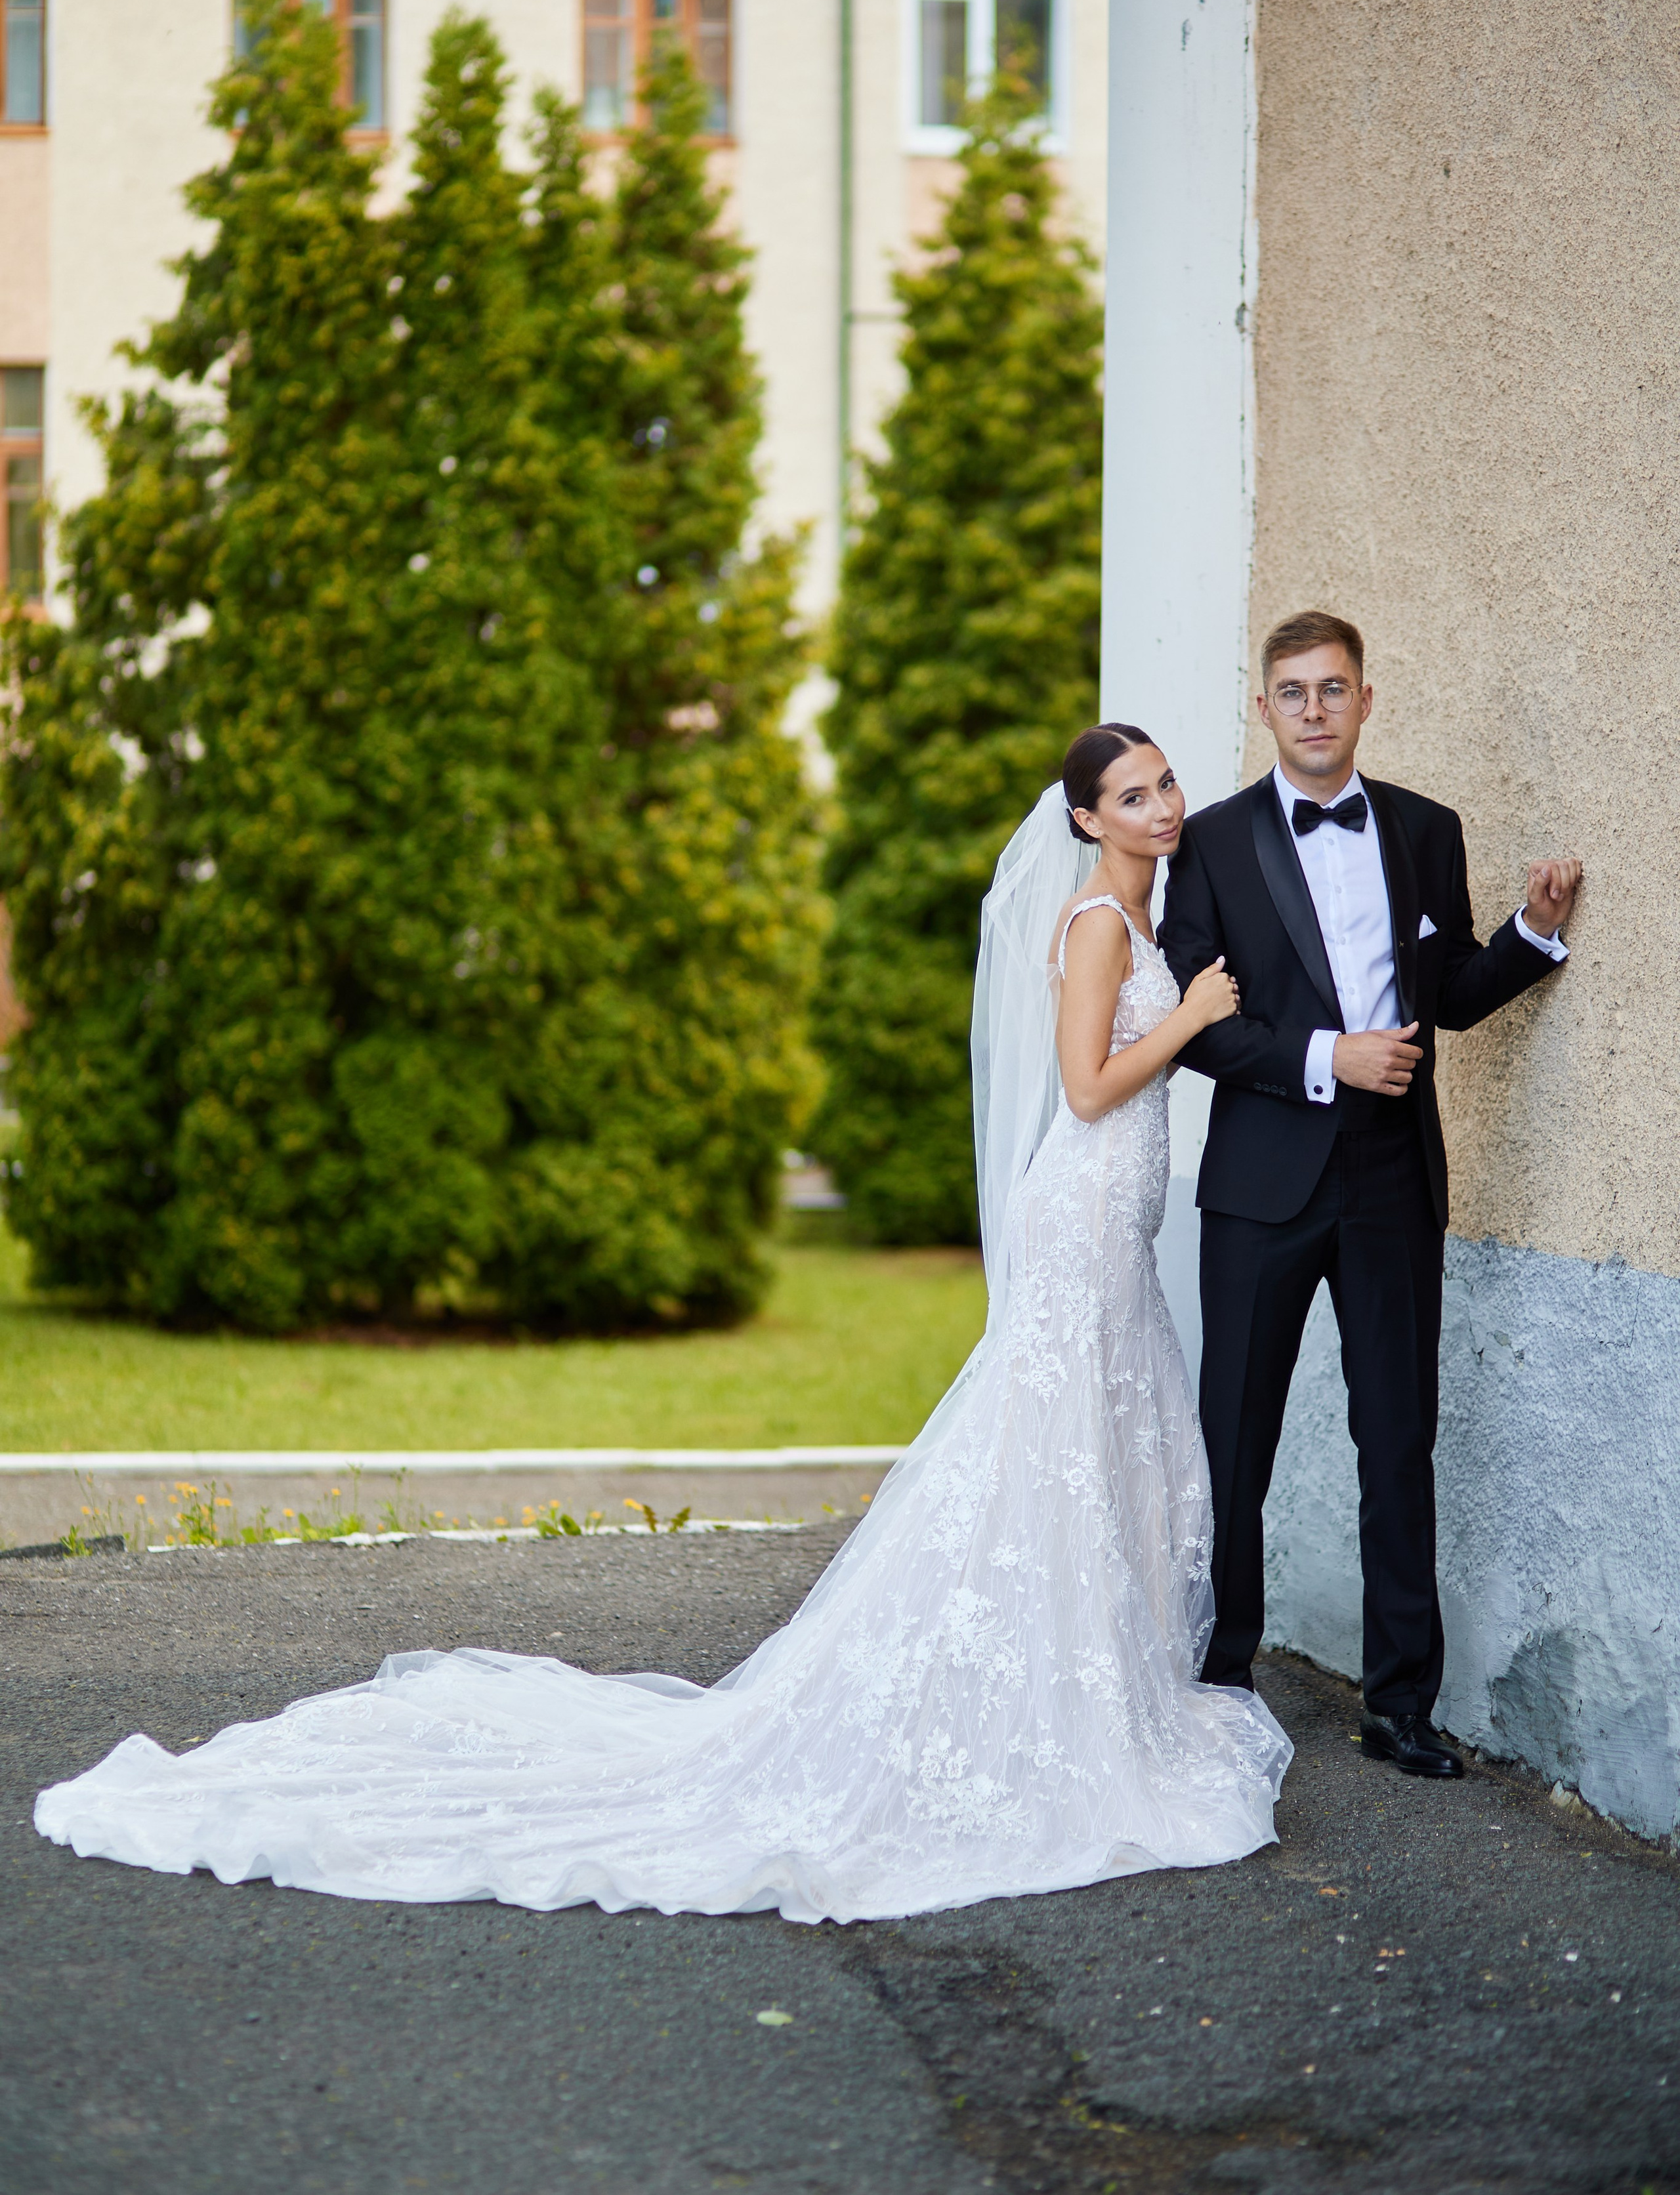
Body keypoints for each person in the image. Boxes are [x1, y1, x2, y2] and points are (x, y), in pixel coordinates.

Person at [36, 727, 1290, 1923]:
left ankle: (1088, 1683)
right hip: (1079, 1220)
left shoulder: (1148, 916)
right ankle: (1039, 1697)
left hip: (1118, 1225)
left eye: (1166, 784)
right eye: (1132, 795)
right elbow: (1085, 1090)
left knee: (1091, 1446)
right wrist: (1188, 1020)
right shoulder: (1095, 924)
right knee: (1051, 1448)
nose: (1162, 807)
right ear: (1085, 820)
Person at [1160, 610, 1581, 1779]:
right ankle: (1221, 1685)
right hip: (1261, 1184)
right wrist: (1324, 1057)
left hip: (1393, 1175)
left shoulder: (1426, 829)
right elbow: (1198, 1024)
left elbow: (1450, 994)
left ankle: (1400, 1707)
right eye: (1293, 692)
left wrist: (1533, 935)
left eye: (1333, 688)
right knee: (1235, 1439)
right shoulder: (1211, 843)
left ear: (1365, 699)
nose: (1314, 709)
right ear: (1264, 707)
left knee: (1397, 1441)